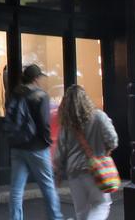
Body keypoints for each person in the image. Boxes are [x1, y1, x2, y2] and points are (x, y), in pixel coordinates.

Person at [6, 64, 63, 220]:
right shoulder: (41, 96)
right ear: (36, 78)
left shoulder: (16, 93)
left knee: (16, 190)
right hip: (36, 147)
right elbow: (44, 124)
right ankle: (55, 218)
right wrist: (47, 142)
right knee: (48, 186)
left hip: (18, 146)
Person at [54, 85, 118, 220]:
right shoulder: (99, 116)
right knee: (101, 205)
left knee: (81, 212)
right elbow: (113, 140)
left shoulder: (67, 124)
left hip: (73, 172)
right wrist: (105, 152)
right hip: (95, 170)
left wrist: (58, 171)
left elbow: (60, 151)